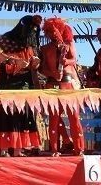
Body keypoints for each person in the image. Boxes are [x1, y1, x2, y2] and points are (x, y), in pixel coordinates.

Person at [0, 15, 42, 157]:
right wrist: (15, 61)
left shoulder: (31, 42)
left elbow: (34, 63)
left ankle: (18, 149)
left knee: (21, 114)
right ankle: (3, 148)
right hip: (6, 82)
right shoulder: (6, 38)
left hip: (24, 83)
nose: (32, 32)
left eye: (34, 30)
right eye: (30, 29)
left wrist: (35, 63)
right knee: (4, 113)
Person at [39, 17, 84, 156]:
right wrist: (51, 73)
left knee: (74, 117)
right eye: (48, 31)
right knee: (54, 118)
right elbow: (42, 68)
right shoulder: (44, 48)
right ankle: (54, 149)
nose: (51, 34)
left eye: (53, 31)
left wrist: (66, 61)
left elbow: (74, 59)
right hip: (52, 84)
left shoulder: (68, 44)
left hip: (68, 84)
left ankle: (79, 148)